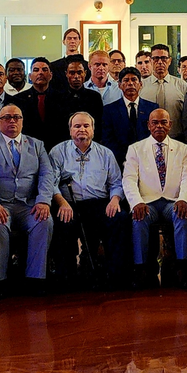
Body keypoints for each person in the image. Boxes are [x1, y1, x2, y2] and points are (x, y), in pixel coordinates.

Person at [0, 104, 56, 298]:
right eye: (7, 117)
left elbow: (47, 174)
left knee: (44, 221)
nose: (12, 121)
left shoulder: (36, 144)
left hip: (28, 204)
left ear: (22, 121)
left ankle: (35, 279)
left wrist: (44, 200)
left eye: (17, 117)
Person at [49, 112, 132, 289]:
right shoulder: (57, 152)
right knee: (62, 224)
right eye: (77, 126)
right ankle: (67, 277)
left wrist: (115, 200)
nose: (82, 129)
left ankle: (115, 276)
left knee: (120, 218)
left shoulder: (105, 153)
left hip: (100, 203)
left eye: (86, 126)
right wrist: (62, 202)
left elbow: (117, 182)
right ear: (70, 130)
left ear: (93, 130)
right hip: (69, 203)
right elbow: (50, 183)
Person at [123, 109, 187, 288]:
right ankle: (140, 270)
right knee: (138, 218)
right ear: (148, 125)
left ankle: (182, 269)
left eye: (164, 122)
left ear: (170, 125)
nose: (159, 126)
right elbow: (129, 178)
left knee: (183, 216)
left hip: (172, 201)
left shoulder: (183, 148)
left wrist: (184, 199)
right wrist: (136, 202)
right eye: (155, 122)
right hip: (147, 202)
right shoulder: (135, 149)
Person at [101, 67, 158, 166]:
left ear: (141, 84)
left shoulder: (152, 108)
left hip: (148, 161)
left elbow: (155, 136)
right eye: (126, 80)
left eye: (134, 80)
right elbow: (108, 139)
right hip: (119, 162)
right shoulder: (109, 110)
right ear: (119, 85)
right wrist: (124, 159)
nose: (130, 83)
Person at [15, 58, 68, 149]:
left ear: (50, 75)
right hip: (28, 148)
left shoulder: (63, 98)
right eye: (36, 70)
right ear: (30, 76)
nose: (40, 73)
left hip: (57, 148)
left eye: (44, 70)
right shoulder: (19, 99)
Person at [140, 44, 187, 138]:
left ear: (169, 60)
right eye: (156, 58)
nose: (160, 62)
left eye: (163, 58)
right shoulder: (141, 86)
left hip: (176, 139)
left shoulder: (182, 86)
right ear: (150, 61)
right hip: (148, 140)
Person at [64, 57, 105, 126]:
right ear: (66, 74)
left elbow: (99, 123)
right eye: (72, 73)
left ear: (85, 73)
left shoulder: (94, 97)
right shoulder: (57, 98)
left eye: (79, 72)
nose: (76, 76)